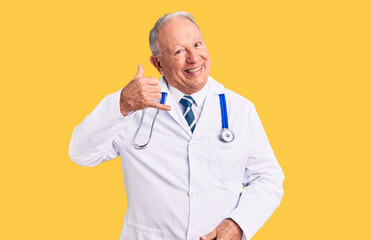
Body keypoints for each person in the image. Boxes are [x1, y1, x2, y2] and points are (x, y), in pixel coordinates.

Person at [69, 11, 284, 240]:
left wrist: (238, 224)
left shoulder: (240, 109)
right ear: (158, 63)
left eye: (197, 44)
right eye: (179, 51)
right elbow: (81, 153)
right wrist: (120, 104)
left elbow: (268, 179)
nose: (194, 58)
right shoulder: (133, 106)